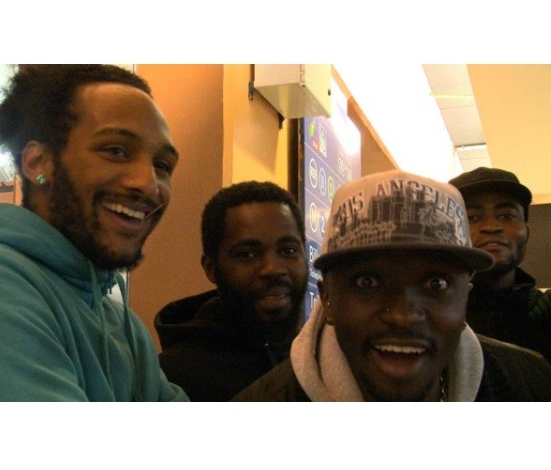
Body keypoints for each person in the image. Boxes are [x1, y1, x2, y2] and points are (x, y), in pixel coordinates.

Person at [0, 64, 188, 401]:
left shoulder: (121, 323)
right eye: (116, 151)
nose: (149, 185)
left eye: (162, 166)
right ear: (38, 163)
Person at [234, 170, 551, 401]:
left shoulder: (529, 384)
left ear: (464, 298)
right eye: (367, 282)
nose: (403, 316)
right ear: (328, 298)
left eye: (436, 283)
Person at [155, 181, 308, 401]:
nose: (273, 269)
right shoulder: (169, 379)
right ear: (211, 268)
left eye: (289, 250)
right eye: (247, 254)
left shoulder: (321, 362)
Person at [449, 167, 551, 362]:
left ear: (527, 232)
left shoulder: (545, 314)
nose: (491, 227)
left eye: (507, 216)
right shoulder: (427, 318)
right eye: (472, 218)